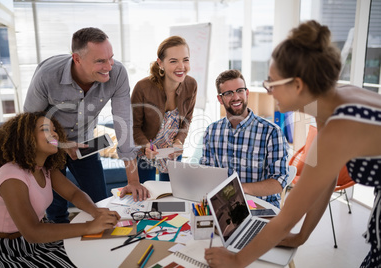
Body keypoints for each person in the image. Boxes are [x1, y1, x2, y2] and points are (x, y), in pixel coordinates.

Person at [204, 20, 381, 268]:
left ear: (297, 85)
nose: (268, 91)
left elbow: (287, 217)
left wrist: (236, 260)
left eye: (272, 83)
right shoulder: (332, 103)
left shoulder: (338, 127)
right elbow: (326, 181)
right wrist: (302, 235)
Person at [24, 27, 148, 223]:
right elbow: (29, 124)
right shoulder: (47, 76)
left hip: (85, 143)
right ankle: (60, 248)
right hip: (51, 145)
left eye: (110, 58)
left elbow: (123, 122)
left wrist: (133, 181)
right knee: (55, 208)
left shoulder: (117, 74)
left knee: (100, 200)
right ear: (77, 58)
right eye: (100, 61)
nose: (109, 66)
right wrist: (61, 146)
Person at [0, 112, 120, 268]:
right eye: (45, 129)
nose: (54, 133)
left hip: (40, 239)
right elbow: (32, 232)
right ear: (25, 137)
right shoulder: (11, 177)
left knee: (97, 252)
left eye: (54, 129)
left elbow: (74, 193)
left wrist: (95, 211)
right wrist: (89, 226)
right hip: (12, 251)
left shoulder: (45, 168)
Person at [200, 69, 289, 208]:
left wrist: (238, 189)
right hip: (225, 207)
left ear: (246, 93)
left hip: (261, 207)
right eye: (228, 93)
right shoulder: (212, 131)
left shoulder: (271, 132)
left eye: (239, 90)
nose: (236, 97)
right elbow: (207, 172)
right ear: (220, 99)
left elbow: (279, 182)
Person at [131, 36, 197, 182]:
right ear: (160, 63)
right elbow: (134, 126)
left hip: (172, 151)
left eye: (185, 60)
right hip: (146, 152)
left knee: (170, 196)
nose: (181, 66)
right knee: (146, 195)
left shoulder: (191, 85)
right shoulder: (142, 88)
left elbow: (187, 119)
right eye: (173, 61)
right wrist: (146, 146)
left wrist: (179, 141)